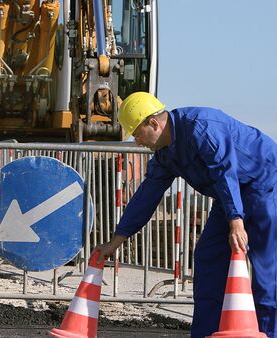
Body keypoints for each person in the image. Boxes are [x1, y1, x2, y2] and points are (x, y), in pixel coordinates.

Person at [93, 92, 277, 337]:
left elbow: (225, 171)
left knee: (266, 271)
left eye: (137, 134)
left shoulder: (202, 126)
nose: (137, 142)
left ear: (153, 123)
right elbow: (146, 196)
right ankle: (205, 333)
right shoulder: (164, 155)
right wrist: (116, 241)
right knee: (207, 256)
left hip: (265, 184)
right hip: (229, 197)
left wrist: (235, 221)